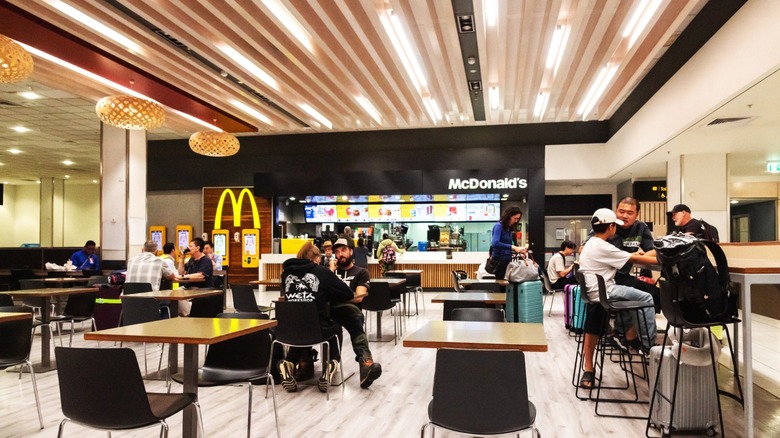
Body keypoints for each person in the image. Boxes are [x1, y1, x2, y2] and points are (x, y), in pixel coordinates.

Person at [578, 208, 659, 389]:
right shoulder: (605, 247)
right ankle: (649, 348)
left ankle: (628, 335)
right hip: (606, 293)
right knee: (647, 297)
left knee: (634, 295)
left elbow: (631, 257)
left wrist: (638, 255)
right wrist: (661, 258)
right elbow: (637, 259)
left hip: (595, 293)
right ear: (611, 227)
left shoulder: (592, 243)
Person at [278, 242, 355, 393]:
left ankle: (289, 362)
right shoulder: (322, 272)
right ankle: (331, 363)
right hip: (318, 330)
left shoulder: (286, 274)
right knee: (335, 326)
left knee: (302, 325)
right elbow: (348, 294)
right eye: (319, 257)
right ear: (315, 258)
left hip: (289, 331)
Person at [330, 238, 382, 389]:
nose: (340, 254)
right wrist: (330, 272)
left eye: (343, 250)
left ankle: (366, 364)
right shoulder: (329, 272)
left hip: (349, 312)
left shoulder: (361, 272)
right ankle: (329, 364)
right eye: (337, 252)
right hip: (329, 311)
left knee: (354, 316)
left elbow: (358, 297)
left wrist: (336, 295)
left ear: (351, 251)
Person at [491, 206, 527, 279]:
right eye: (515, 218)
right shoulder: (498, 226)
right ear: (509, 216)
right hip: (499, 261)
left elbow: (507, 246)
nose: (516, 221)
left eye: (518, 219)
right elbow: (495, 243)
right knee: (502, 283)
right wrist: (513, 247)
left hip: (507, 260)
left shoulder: (508, 228)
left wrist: (518, 251)